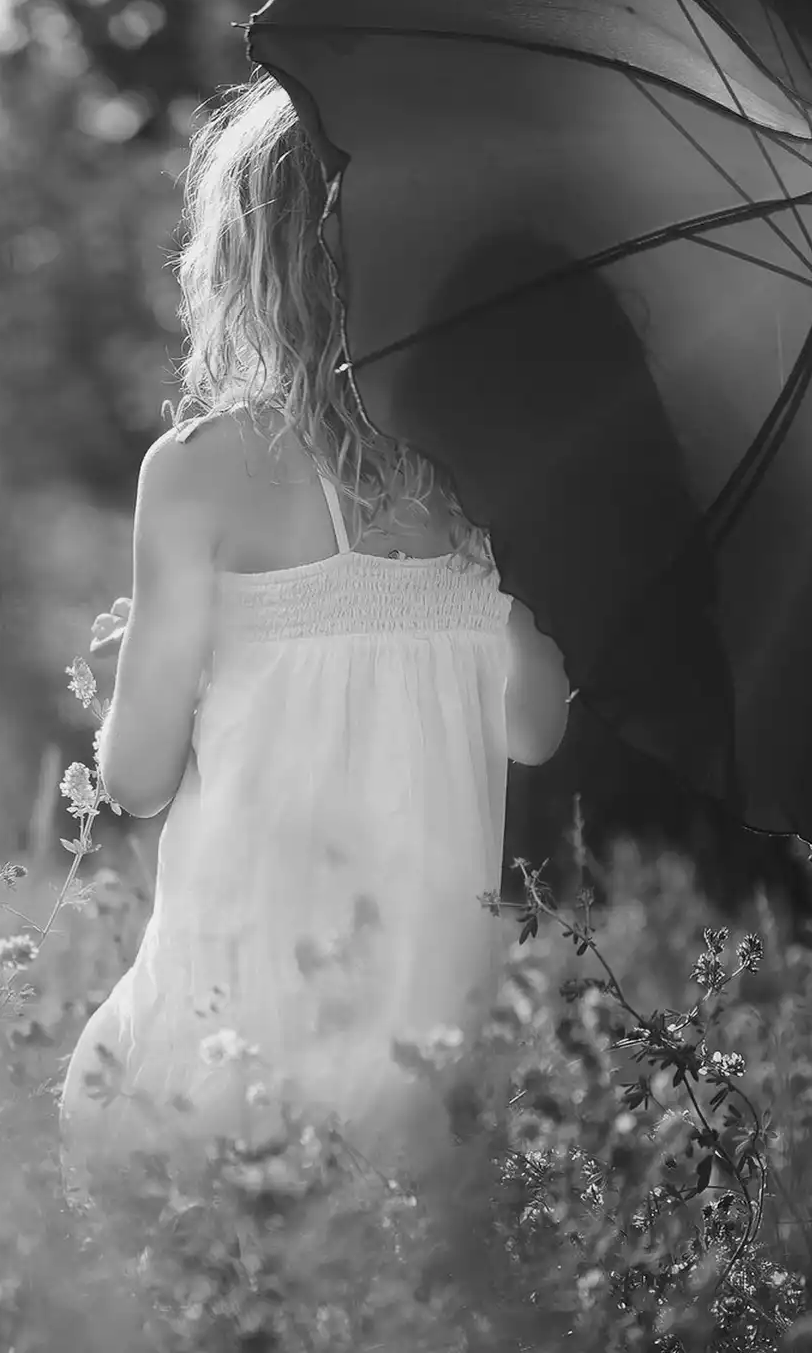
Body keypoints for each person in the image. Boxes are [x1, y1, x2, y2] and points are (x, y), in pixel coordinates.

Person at [57, 77, 573, 1199]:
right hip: (415, 1060)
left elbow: (136, 778)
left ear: (247, 261)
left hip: (230, 1034)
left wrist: (143, 671)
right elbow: (532, 732)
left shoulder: (201, 473)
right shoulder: (489, 476)